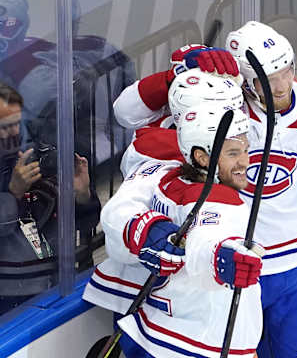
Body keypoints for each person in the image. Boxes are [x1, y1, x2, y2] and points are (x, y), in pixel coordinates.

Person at [111, 21, 297, 357]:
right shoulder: (219, 106)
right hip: (237, 264)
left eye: (287, 72)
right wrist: (175, 78)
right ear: (244, 81)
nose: (282, 85)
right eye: (268, 79)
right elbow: (125, 113)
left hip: (294, 262)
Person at [86, 103, 262, 357]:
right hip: (197, 339)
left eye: (245, 150)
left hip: (156, 324)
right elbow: (208, 238)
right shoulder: (221, 200)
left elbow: (119, 211)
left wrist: (144, 229)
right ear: (202, 157)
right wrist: (220, 258)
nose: (245, 161)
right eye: (233, 153)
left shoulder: (169, 177)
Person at [0, 81, 101, 315]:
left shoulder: (38, 157)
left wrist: (81, 194)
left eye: (16, 124)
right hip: (9, 293)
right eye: (4, 127)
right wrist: (14, 193)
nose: (13, 133)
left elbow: (85, 224)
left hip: (57, 280)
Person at [0, 0, 136, 162]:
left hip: (87, 146)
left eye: (5, 25)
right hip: (98, 140)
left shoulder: (26, 65)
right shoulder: (27, 60)